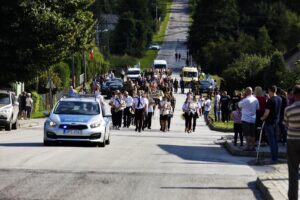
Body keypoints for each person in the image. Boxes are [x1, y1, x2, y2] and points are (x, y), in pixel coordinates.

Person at [283, 85, 300, 200]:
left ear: (293, 95)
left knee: (293, 170)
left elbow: (286, 125)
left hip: (292, 140)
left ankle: (292, 197)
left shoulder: (288, 109)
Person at [261, 85, 282, 163]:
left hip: (269, 122)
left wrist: (262, 118)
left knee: (271, 141)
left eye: (268, 91)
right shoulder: (280, 99)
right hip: (276, 122)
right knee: (275, 141)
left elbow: (266, 113)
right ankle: (275, 157)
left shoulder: (270, 100)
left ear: (270, 91)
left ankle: (273, 158)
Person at [238, 87, 259, 151]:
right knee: (252, 133)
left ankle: (248, 146)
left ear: (246, 92)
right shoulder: (255, 99)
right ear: (252, 91)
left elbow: (239, 105)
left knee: (247, 133)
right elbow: (258, 108)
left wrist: (243, 97)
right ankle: (253, 146)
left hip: (246, 118)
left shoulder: (246, 99)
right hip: (253, 118)